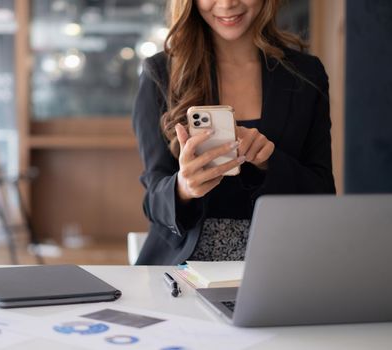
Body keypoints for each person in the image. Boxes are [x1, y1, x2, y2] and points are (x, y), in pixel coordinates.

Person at [132, 0, 336, 265]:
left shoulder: (305, 74)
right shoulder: (160, 73)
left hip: (282, 260)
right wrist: (183, 187)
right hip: (187, 268)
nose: (227, 4)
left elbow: (322, 194)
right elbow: (153, 201)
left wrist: (269, 162)